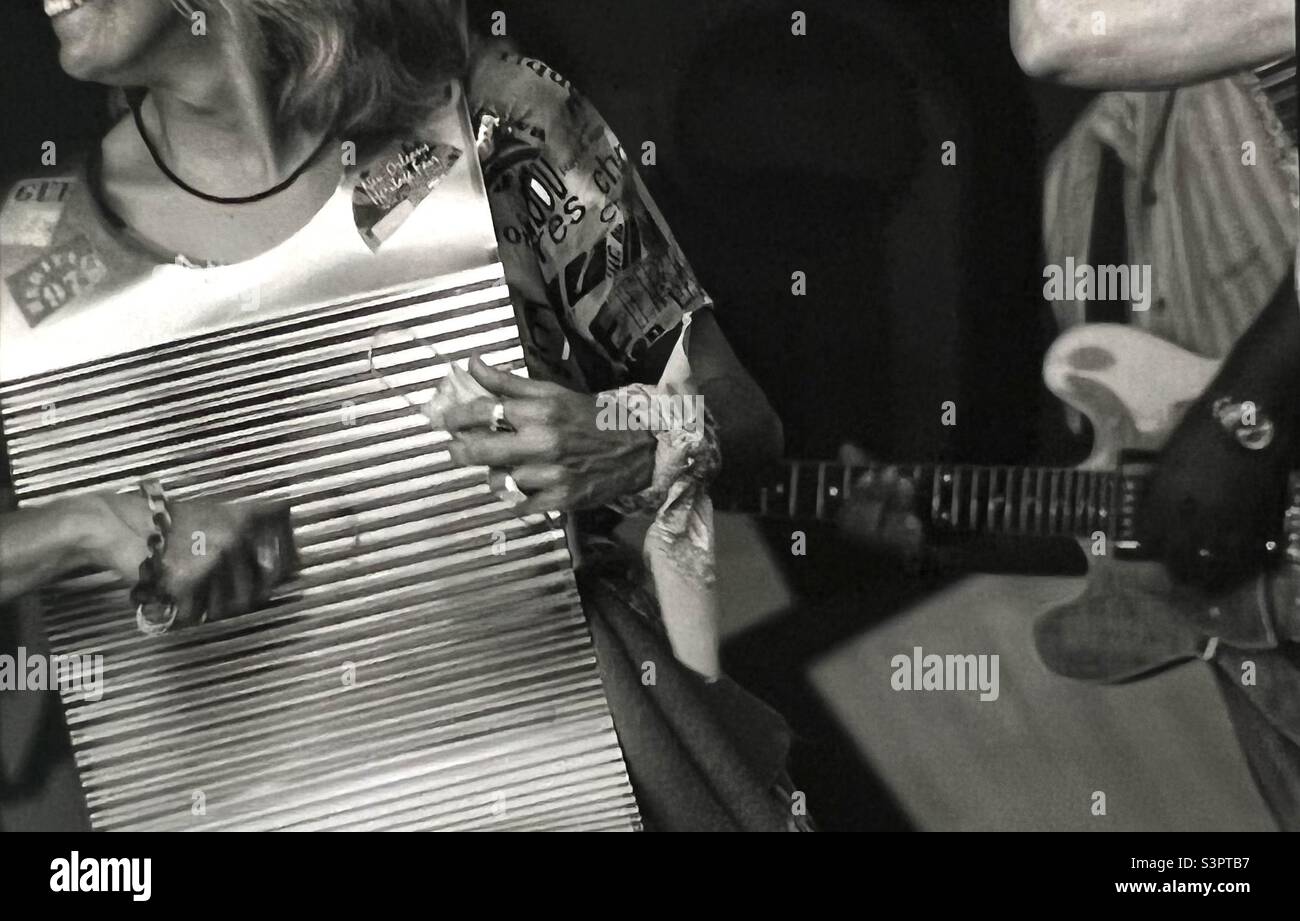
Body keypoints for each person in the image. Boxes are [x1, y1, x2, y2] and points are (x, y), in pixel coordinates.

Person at [0, 0, 795, 831]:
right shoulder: (38, 250)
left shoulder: (497, 125)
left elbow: (749, 422)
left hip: (566, 772)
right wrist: (83, 527)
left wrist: (633, 440)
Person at [1011, 0, 1300, 827]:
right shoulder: (1076, 182)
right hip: (1270, 674)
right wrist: (945, 529)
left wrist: (1248, 408)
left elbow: (1050, 35)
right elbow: (1155, 490)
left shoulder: (1261, 49)